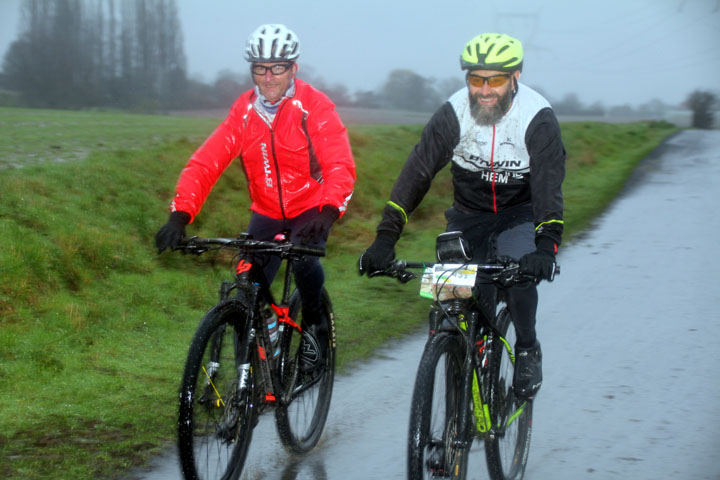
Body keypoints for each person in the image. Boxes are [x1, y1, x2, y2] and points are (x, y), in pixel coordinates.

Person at [358, 33, 565, 399]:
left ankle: (528, 346)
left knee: (517, 274)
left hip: (519, 214)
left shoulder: (538, 118)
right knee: (447, 300)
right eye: (476, 79)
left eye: (496, 79)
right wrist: (385, 238)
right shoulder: (453, 113)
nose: (484, 90)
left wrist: (545, 247)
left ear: (515, 76)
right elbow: (417, 173)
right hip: (468, 217)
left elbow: (549, 186)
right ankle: (454, 361)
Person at [156, 24, 356, 372]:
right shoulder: (244, 112)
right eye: (260, 68)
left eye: (277, 67)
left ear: (293, 68)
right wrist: (180, 215)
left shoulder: (314, 107)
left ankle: (315, 321)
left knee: (305, 260)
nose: (268, 77)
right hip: (266, 211)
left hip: (310, 206)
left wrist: (328, 211)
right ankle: (258, 350)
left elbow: (339, 163)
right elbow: (206, 162)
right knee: (248, 276)